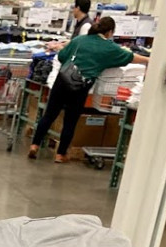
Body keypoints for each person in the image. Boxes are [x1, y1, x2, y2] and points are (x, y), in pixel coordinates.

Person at [29, 17, 150, 164]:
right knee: (70, 120)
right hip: (81, 86)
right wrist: (148, 60)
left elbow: (61, 56)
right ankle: (60, 155)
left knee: (49, 115)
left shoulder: (79, 40)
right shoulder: (109, 47)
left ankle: (34, 145)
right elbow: (129, 57)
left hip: (62, 80)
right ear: (110, 32)